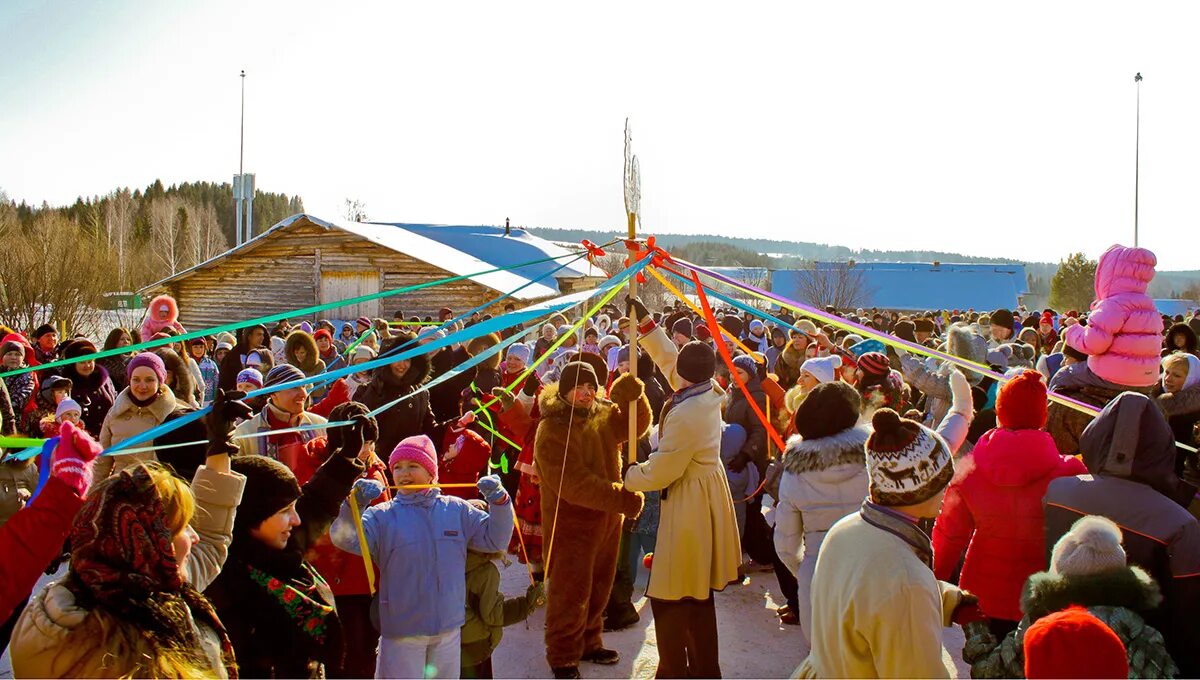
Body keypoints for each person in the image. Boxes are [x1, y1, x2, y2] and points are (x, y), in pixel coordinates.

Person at [10, 396, 248, 678]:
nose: (194, 537)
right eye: (182, 527)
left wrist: (218, 447)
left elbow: (209, 538)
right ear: (145, 543)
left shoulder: (139, 582)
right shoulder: (108, 654)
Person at [796, 406, 980, 679]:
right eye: (942, 481)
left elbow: (871, 596)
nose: (947, 489)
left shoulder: (845, 530)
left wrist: (948, 599)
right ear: (919, 487)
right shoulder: (906, 582)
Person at [330, 436, 515, 679]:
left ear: (431, 474)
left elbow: (494, 540)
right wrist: (354, 505)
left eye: (412, 466)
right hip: (402, 631)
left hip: (448, 626)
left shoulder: (456, 509)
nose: (403, 473)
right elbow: (345, 539)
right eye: (397, 467)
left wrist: (500, 503)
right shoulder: (382, 516)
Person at [1042, 391, 1200, 676]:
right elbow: (1187, 617)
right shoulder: (1181, 524)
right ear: (1160, 447)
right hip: (1137, 659)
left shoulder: (1057, 491)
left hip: (1057, 638)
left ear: (1096, 435)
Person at [624, 298, 741, 678]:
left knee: (675, 592)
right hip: (700, 492)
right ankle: (697, 669)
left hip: (690, 500)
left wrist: (630, 474)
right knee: (692, 591)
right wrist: (646, 324)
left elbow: (663, 470)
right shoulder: (702, 389)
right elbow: (670, 359)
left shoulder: (690, 413)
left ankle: (678, 670)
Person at [204, 415, 368, 678]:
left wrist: (346, 457)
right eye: (284, 510)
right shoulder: (224, 581)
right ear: (251, 514)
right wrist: (217, 451)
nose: (297, 519)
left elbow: (317, 502)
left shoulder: (284, 553)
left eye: (294, 507)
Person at [932, 370, 1086, 635]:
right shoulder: (1070, 472)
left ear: (999, 412)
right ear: (1043, 415)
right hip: (1041, 598)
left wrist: (933, 584)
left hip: (980, 595)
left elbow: (948, 535)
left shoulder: (971, 470)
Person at [534, 360, 647, 679]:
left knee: (600, 586)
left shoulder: (602, 413)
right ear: (564, 389)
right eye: (578, 387)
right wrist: (620, 497)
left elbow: (634, 430)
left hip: (606, 521)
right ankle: (563, 653)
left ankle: (589, 642)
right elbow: (573, 483)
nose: (585, 393)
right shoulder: (552, 427)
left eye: (590, 387)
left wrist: (631, 399)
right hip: (571, 524)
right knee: (570, 591)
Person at [964, 515, 1177, 678]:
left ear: (1057, 575)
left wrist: (974, 625)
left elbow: (988, 673)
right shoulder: (1139, 634)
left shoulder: (1040, 627)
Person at [774, 381, 873, 644]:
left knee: (823, 657)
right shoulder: (875, 461)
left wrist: (805, 568)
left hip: (818, 575)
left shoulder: (795, 473)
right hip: (872, 571)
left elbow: (785, 544)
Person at [460, 500, 546, 679]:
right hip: (475, 646)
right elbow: (493, 615)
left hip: (445, 645)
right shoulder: (484, 572)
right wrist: (526, 604)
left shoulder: (441, 561)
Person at [95, 352, 178, 480]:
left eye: (149, 380)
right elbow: (102, 464)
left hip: (158, 491)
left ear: (160, 381)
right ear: (129, 380)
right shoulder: (115, 414)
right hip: (121, 491)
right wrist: (93, 496)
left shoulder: (175, 416)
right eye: (136, 380)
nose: (142, 386)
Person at [232, 364, 327, 467]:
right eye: (294, 388)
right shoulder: (244, 434)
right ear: (273, 394)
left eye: (303, 387)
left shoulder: (321, 426)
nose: (303, 394)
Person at [58, 338, 117, 437]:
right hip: (81, 439)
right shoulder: (67, 384)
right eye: (82, 362)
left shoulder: (104, 379)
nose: (87, 365)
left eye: (90, 361)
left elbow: (114, 402)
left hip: (109, 435)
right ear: (73, 364)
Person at [218, 323, 268, 391]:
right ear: (249, 336)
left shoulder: (265, 354)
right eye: (258, 334)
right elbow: (224, 381)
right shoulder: (233, 356)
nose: (262, 338)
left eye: (263, 335)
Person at [98, 327, 135, 393]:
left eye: (128, 339)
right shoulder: (103, 361)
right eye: (122, 339)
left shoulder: (135, 360)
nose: (126, 342)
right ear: (113, 341)